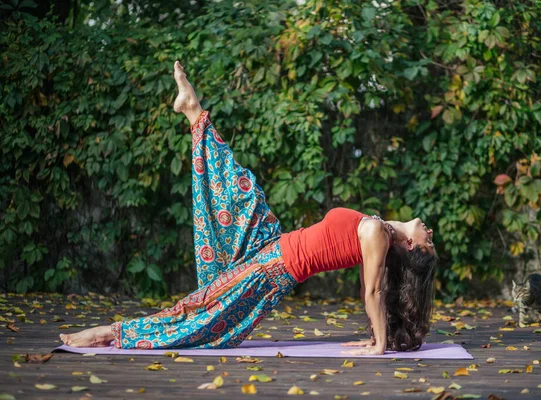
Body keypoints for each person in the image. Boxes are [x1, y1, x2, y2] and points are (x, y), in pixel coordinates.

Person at [59, 61, 437, 355]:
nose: (430, 233)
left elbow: (371, 292)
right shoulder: (378, 228)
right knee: (237, 189)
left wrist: (379, 343)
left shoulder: (377, 235)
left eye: (428, 242)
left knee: (201, 311)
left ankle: (108, 333)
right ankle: (194, 114)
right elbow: (371, 288)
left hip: (271, 269)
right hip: (270, 243)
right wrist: (377, 335)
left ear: (410, 247)